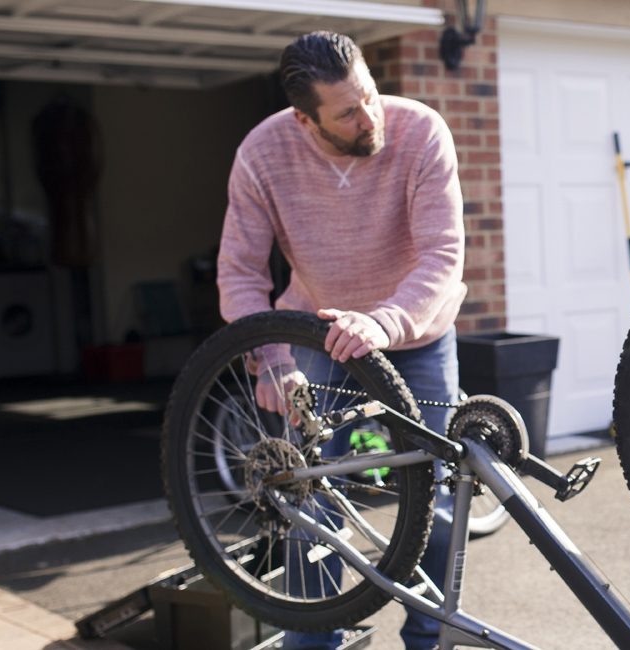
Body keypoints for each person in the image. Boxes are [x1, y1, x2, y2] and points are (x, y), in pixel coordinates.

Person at [216, 31, 465, 650]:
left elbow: (442, 255)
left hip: (415, 335)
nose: (369, 117)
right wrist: (270, 361)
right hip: (316, 337)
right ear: (305, 119)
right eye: (348, 113)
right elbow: (240, 271)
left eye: (371, 98)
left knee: (430, 496)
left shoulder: (422, 132)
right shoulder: (261, 153)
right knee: (311, 497)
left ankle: (429, 637)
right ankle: (316, 639)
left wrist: (382, 321)